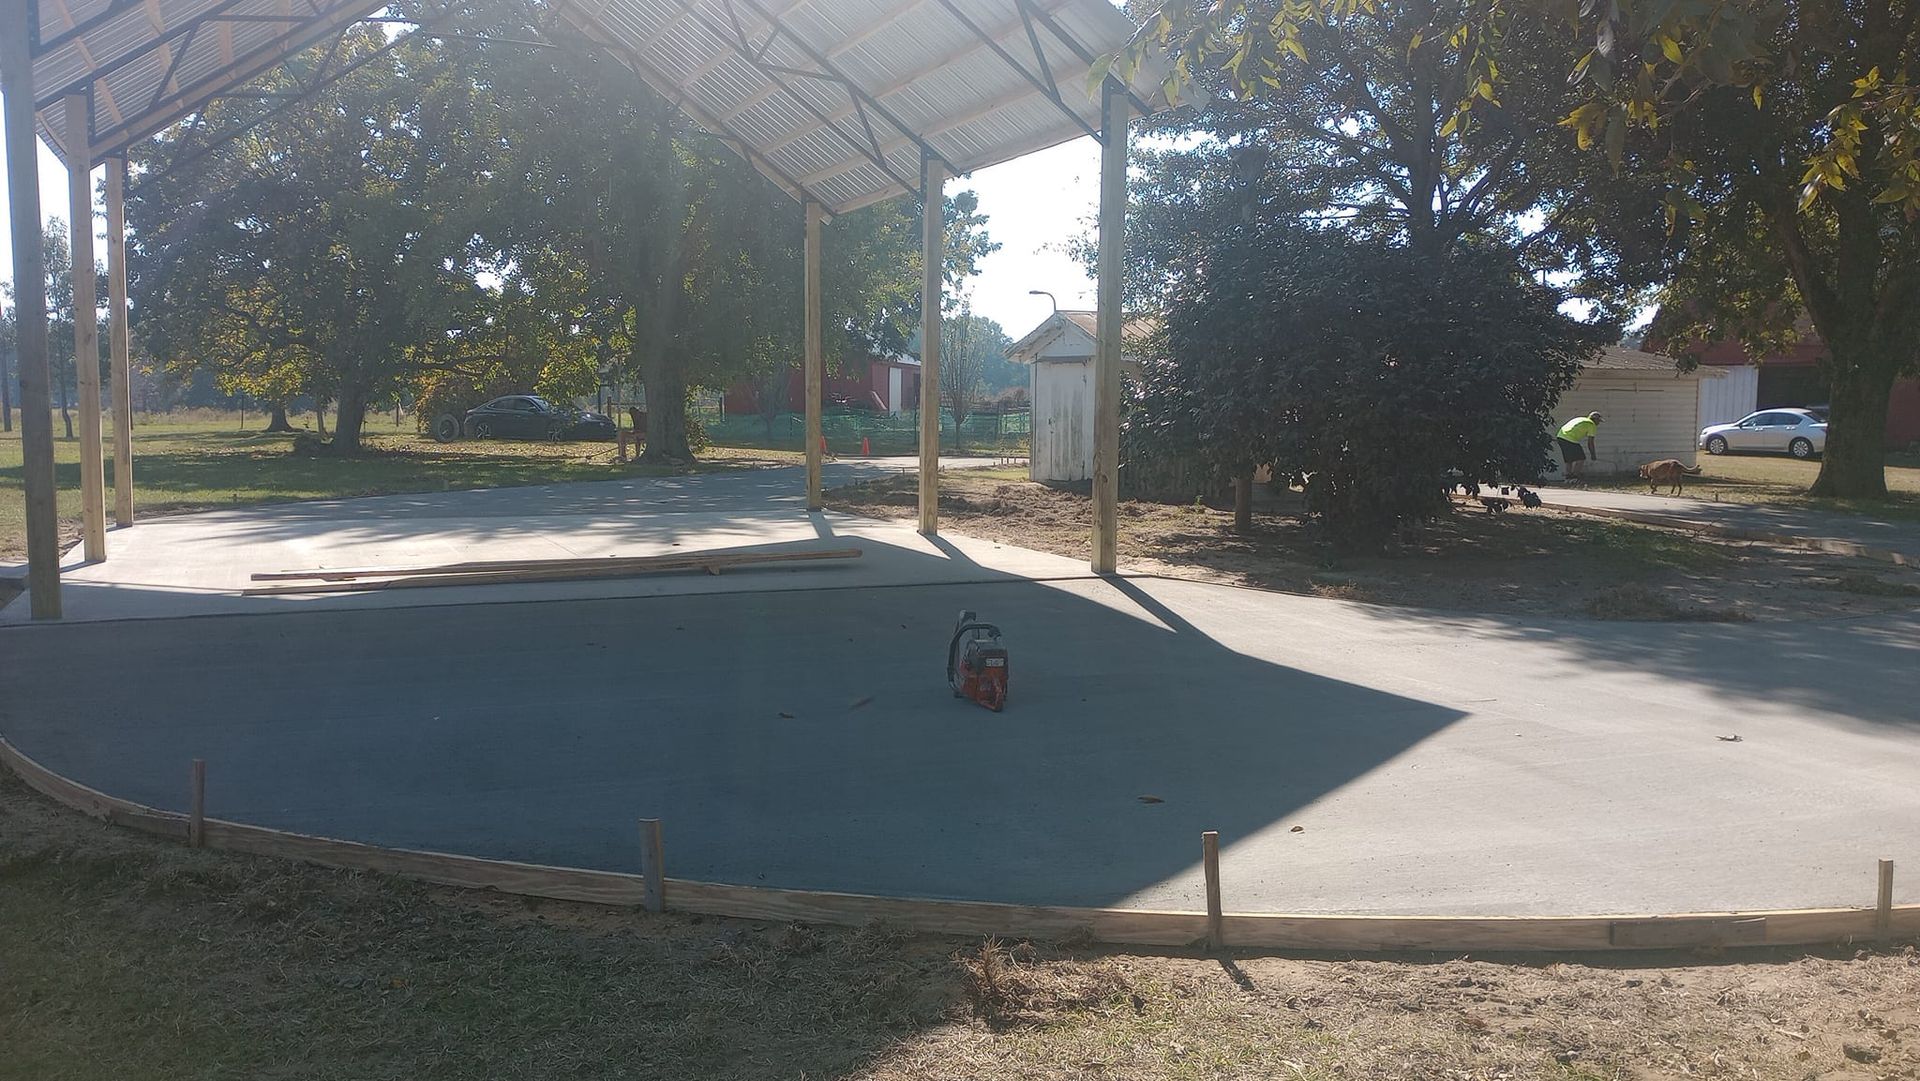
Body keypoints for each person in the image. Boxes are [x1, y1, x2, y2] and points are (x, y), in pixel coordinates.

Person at [1556, 412, 1603, 481]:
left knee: (1569, 459)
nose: (1599, 423)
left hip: (1560, 436)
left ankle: (1568, 478)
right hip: (1570, 438)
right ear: (1595, 420)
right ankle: (1575, 477)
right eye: (1598, 421)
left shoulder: (1581, 419)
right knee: (1581, 458)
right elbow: (1590, 442)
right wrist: (1593, 455)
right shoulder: (1591, 424)